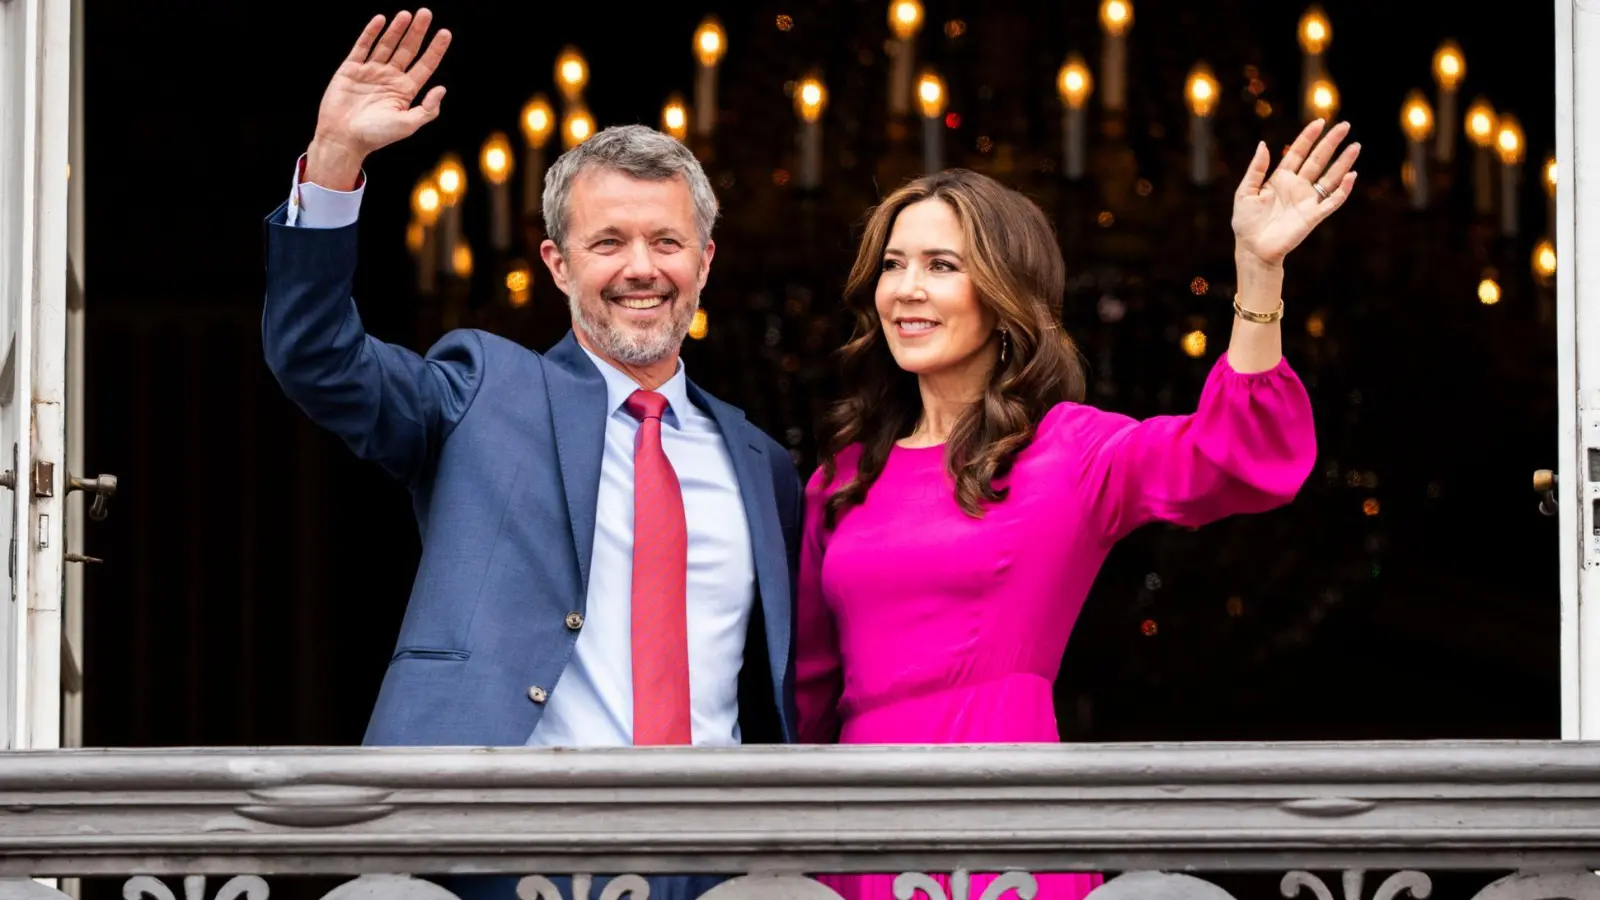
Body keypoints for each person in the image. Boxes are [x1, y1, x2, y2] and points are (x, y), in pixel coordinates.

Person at [261, 10, 803, 899]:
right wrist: (332, 162)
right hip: (495, 844)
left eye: (667, 242)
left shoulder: (758, 460)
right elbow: (316, 357)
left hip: (715, 861)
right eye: (608, 242)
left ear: (706, 261)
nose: (642, 267)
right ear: (556, 263)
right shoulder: (482, 387)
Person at [795, 119, 1359, 900]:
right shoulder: (844, 477)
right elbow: (809, 693)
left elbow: (1239, 457)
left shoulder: (1068, 454)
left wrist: (1258, 272)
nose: (907, 288)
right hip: (852, 832)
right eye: (893, 265)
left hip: (1005, 826)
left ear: (1002, 296)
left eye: (941, 265)